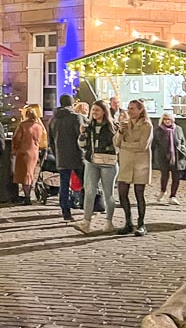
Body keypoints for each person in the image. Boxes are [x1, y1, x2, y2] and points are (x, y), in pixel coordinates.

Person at [77, 101, 118, 234]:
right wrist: (82, 134)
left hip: (108, 162)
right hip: (91, 161)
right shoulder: (89, 126)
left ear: (104, 112)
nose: (94, 113)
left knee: (108, 193)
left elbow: (117, 145)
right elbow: (82, 145)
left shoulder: (112, 127)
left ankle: (109, 222)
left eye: (97, 110)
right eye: (93, 110)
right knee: (89, 191)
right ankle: (86, 221)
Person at [115, 100, 153, 236]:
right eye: (128, 108)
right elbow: (116, 142)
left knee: (139, 194)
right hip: (125, 163)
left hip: (140, 163)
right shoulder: (125, 124)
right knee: (122, 192)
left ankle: (141, 223)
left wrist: (125, 145)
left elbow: (143, 145)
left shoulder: (146, 125)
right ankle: (128, 222)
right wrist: (120, 131)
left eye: (132, 109)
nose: (129, 111)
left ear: (140, 110)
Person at [50, 94, 85, 224]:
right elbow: (81, 137)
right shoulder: (76, 118)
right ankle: (87, 207)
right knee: (85, 183)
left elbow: (51, 141)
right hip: (77, 156)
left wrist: (56, 153)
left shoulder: (53, 119)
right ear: (72, 103)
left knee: (64, 185)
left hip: (61, 156)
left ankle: (66, 212)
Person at [151, 111, 186, 205]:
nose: (167, 121)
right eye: (165, 119)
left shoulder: (178, 129)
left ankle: (173, 196)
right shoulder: (158, 131)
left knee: (176, 177)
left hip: (177, 157)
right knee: (164, 176)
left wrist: (182, 150)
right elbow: (153, 145)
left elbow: (183, 141)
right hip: (163, 157)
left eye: (169, 119)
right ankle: (163, 191)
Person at [11, 106, 46, 204]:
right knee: (30, 175)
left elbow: (16, 138)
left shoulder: (23, 125)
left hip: (23, 152)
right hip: (34, 152)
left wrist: (15, 149)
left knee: (24, 176)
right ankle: (28, 194)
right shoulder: (39, 126)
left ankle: (27, 197)